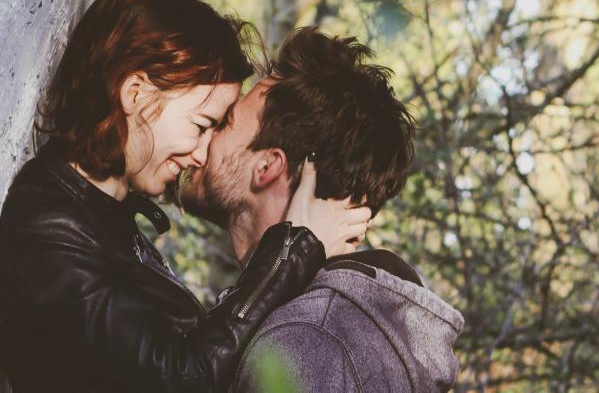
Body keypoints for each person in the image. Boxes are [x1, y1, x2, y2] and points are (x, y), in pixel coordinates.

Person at [0, 0, 372, 392]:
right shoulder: (48, 229)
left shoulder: (104, 218)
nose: (203, 154)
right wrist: (291, 250)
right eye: (202, 125)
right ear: (136, 94)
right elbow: (180, 375)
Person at [175, 27, 465, 392]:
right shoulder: (329, 325)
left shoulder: (308, 342)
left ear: (268, 167)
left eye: (226, 124)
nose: (204, 138)